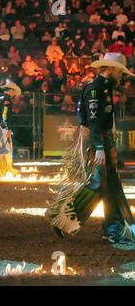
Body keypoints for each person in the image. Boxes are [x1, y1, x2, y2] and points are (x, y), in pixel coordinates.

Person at [47, 53, 135, 244]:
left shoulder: (101, 88)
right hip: (99, 143)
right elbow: (93, 121)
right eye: (119, 72)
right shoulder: (95, 89)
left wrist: (83, 124)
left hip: (103, 142)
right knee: (99, 185)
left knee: (111, 186)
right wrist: (99, 147)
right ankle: (63, 218)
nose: (121, 77)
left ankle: (115, 228)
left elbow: (82, 110)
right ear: (109, 69)